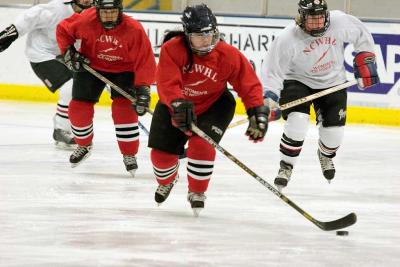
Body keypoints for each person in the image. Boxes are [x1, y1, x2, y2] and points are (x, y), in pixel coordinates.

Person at [149, 4, 269, 216]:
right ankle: (169, 178)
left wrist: (256, 109)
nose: (206, 40)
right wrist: (177, 103)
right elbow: (166, 82)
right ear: (187, 34)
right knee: (161, 161)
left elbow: (247, 82)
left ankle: (197, 191)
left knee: (201, 146)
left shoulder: (227, 54)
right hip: (175, 106)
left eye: (210, 34)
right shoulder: (172, 49)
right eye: (199, 36)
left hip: (215, 106)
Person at [261, 0, 379, 191]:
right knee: (298, 121)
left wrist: (366, 59)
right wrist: (269, 98)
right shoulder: (287, 38)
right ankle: (286, 165)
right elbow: (272, 71)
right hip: (296, 80)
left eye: (320, 18)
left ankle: (325, 155)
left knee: (334, 136)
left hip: (333, 81)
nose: (317, 23)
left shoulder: (339, 21)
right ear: (301, 18)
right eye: (311, 19)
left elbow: (361, 33)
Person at [56, 0, 156, 176]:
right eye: (104, 11)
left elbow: (144, 60)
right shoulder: (85, 19)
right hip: (91, 66)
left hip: (125, 70)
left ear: (120, 11)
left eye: (112, 11)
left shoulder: (134, 29)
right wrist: (68, 51)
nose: (108, 15)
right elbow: (63, 30)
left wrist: (143, 89)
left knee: (123, 111)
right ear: (97, 10)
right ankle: (84, 145)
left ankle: (129, 154)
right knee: (78, 108)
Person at [0, 0, 94, 148]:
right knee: (69, 88)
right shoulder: (56, 9)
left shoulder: (94, 15)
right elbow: (29, 17)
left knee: (82, 89)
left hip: (69, 56)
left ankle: (71, 126)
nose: (87, 1)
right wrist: (8, 35)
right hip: (42, 55)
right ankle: (61, 129)